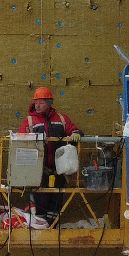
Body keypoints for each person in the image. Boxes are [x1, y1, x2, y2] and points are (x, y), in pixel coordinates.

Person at [21, 86, 79, 225]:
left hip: (59, 170)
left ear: (49, 103)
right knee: (41, 202)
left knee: (55, 203)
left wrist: (76, 133)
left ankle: (51, 226)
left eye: (41, 102)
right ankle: (41, 226)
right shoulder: (29, 121)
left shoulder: (61, 119)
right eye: (36, 102)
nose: (37, 105)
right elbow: (22, 141)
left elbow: (73, 129)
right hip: (39, 171)